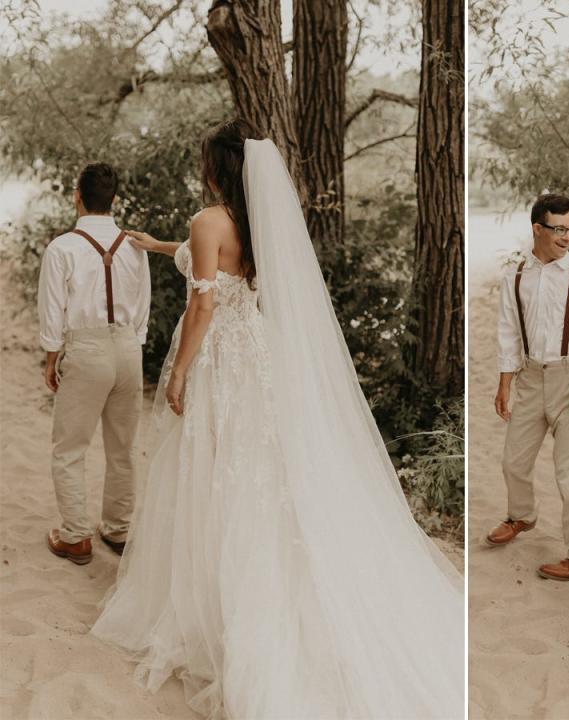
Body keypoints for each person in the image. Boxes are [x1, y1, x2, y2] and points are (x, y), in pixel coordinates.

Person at [91, 119, 464, 719]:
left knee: (212, 464)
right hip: (258, 357)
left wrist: (181, 370)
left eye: (204, 160)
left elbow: (204, 301)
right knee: (258, 464)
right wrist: (159, 247)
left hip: (218, 359)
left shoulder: (208, 220)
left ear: (216, 167)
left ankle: (213, 601)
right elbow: (215, 267)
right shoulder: (254, 223)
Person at [486, 193, 569, 581]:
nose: (568, 237)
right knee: (513, 461)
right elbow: (508, 330)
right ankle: (522, 516)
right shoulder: (517, 276)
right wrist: (505, 381)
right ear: (537, 228)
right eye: (560, 229)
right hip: (531, 378)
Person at [38, 162, 150, 565]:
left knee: (69, 447)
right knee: (122, 447)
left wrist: (52, 360)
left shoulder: (62, 248)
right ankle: (117, 530)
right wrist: (131, 344)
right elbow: (142, 308)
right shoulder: (136, 245)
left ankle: (75, 537)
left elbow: (52, 313)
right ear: (114, 200)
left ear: (77, 196)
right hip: (128, 349)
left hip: (86, 351)